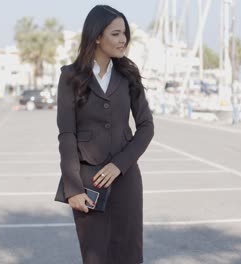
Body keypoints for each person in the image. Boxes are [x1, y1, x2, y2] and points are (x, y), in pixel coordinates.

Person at [56, 5, 154, 264]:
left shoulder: (129, 75)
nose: (123, 39)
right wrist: (72, 188)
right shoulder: (70, 76)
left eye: (125, 34)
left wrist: (119, 165)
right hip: (88, 182)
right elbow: (66, 134)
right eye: (116, 33)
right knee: (95, 256)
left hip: (126, 179)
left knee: (129, 254)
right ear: (97, 36)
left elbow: (146, 127)